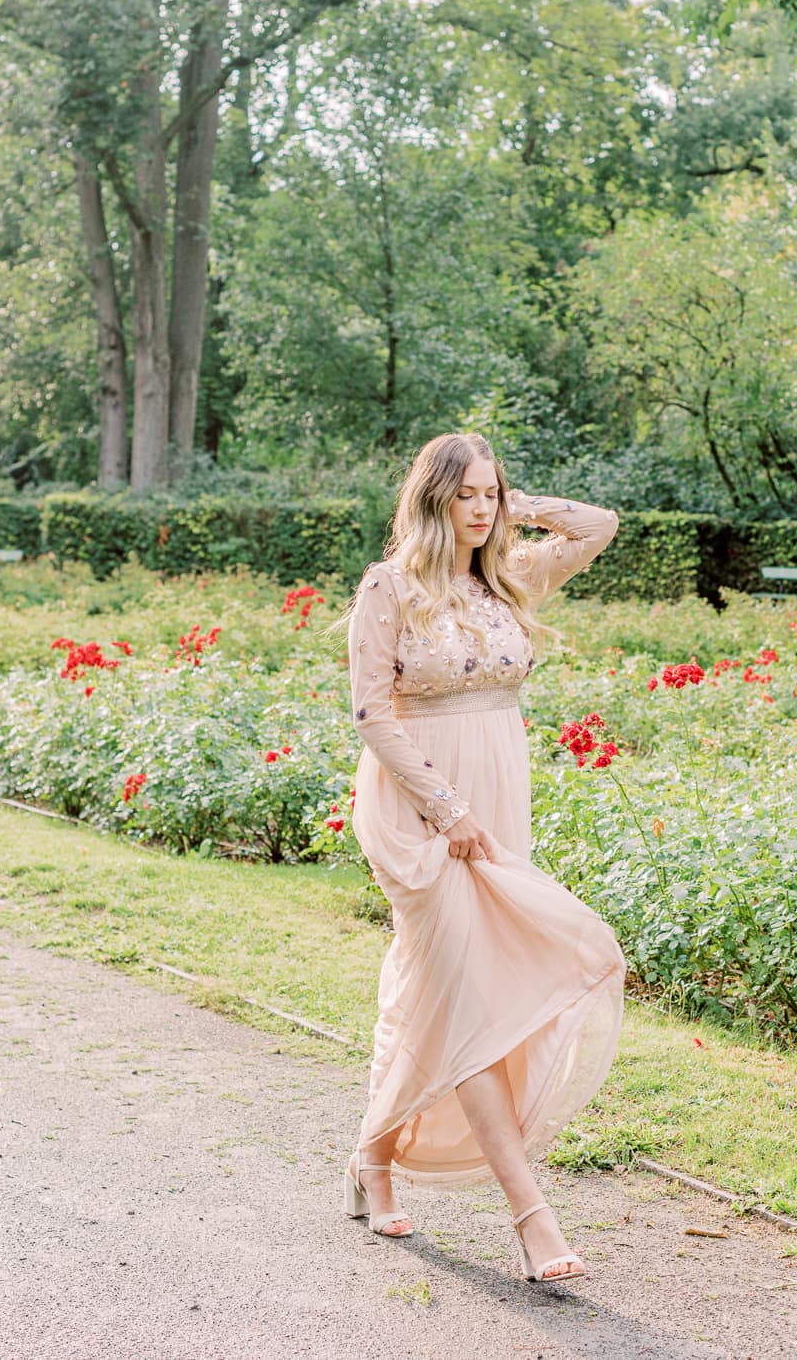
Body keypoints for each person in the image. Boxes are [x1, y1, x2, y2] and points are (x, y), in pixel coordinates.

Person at [338, 432, 626, 1284]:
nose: (480, 508)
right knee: (462, 991)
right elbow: (371, 714)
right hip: (419, 807)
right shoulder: (388, 587)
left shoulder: (506, 577)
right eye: (465, 494)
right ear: (430, 499)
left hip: (497, 806)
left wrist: (522, 504)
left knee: (440, 990)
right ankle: (532, 1218)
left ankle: (371, 1159)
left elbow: (601, 525)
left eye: (489, 494)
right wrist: (447, 809)